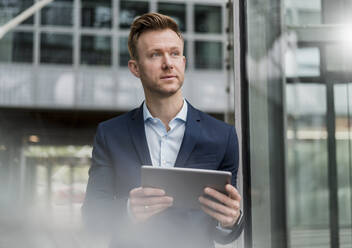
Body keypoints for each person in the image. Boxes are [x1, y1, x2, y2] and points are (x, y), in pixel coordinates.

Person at [82, 12, 243, 248]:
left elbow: (224, 232)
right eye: (155, 54)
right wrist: (128, 209)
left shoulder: (223, 136)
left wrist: (230, 221)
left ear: (183, 63)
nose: (168, 63)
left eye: (175, 53)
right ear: (135, 68)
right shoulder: (110, 134)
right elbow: (92, 217)